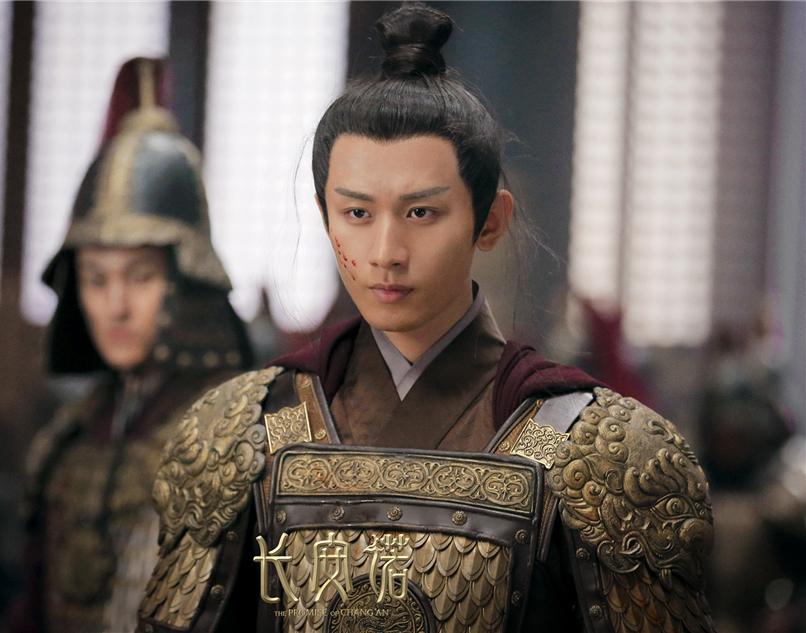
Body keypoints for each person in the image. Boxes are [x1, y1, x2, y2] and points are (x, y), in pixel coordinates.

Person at [136, 6, 716, 633]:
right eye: (357, 214)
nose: (386, 252)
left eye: (421, 214)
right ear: (325, 216)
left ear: (489, 221)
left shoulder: (600, 454)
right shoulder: (242, 433)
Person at [10, 58, 251, 633]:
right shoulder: (66, 438)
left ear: (185, 280)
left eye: (139, 277)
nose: (115, 306)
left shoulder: (237, 430)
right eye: (96, 280)